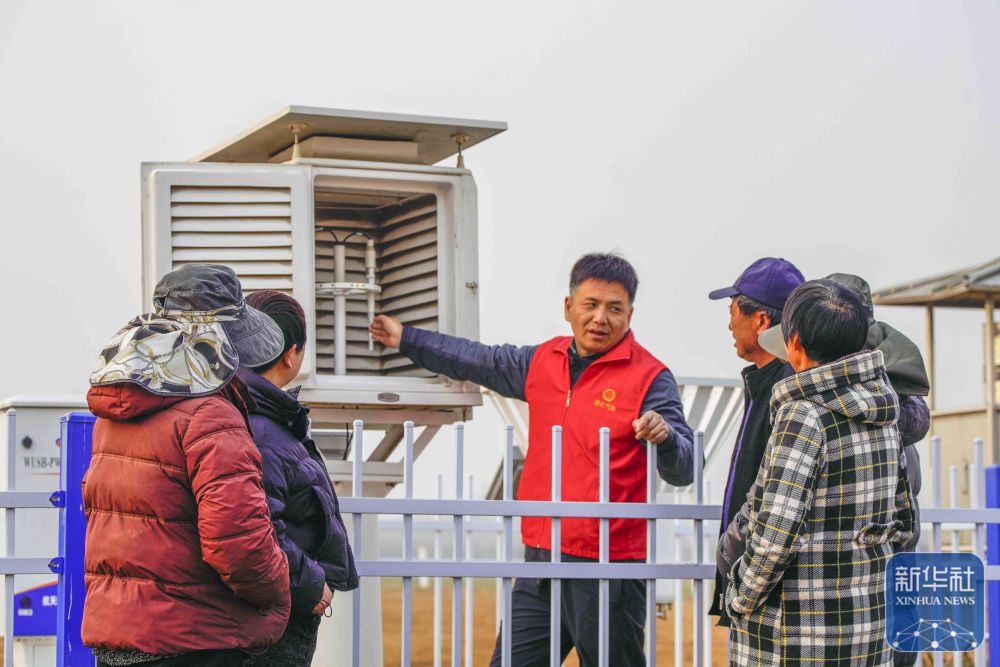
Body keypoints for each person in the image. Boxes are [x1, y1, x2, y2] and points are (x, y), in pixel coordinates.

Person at [370, 252, 695, 666]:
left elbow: (686, 468)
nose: (600, 318)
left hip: (610, 568)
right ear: (568, 307)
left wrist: (666, 438)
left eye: (614, 309)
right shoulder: (542, 361)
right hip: (540, 561)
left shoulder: (650, 377)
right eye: (591, 304)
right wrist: (407, 339)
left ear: (630, 315)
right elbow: (476, 359)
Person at [83, 264, 291, 667]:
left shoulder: (116, 414)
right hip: (195, 637)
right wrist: (279, 591)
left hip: (118, 635)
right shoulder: (211, 416)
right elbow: (238, 544)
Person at [723, 279, 915, 666]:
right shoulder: (883, 413)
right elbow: (903, 521)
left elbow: (775, 538)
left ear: (793, 341)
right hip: (867, 630)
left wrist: (739, 596)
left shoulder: (803, 414)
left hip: (795, 638)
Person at [239, 290, 359, 666]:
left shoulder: (255, 416)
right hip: (275, 619)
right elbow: (257, 527)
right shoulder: (263, 428)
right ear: (290, 354)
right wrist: (312, 586)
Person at [705, 257, 804, 628]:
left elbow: (772, 500)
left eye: (733, 312)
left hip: (769, 595)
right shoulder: (767, 382)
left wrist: (740, 573)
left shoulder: (786, 391)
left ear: (761, 321)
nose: (729, 324)